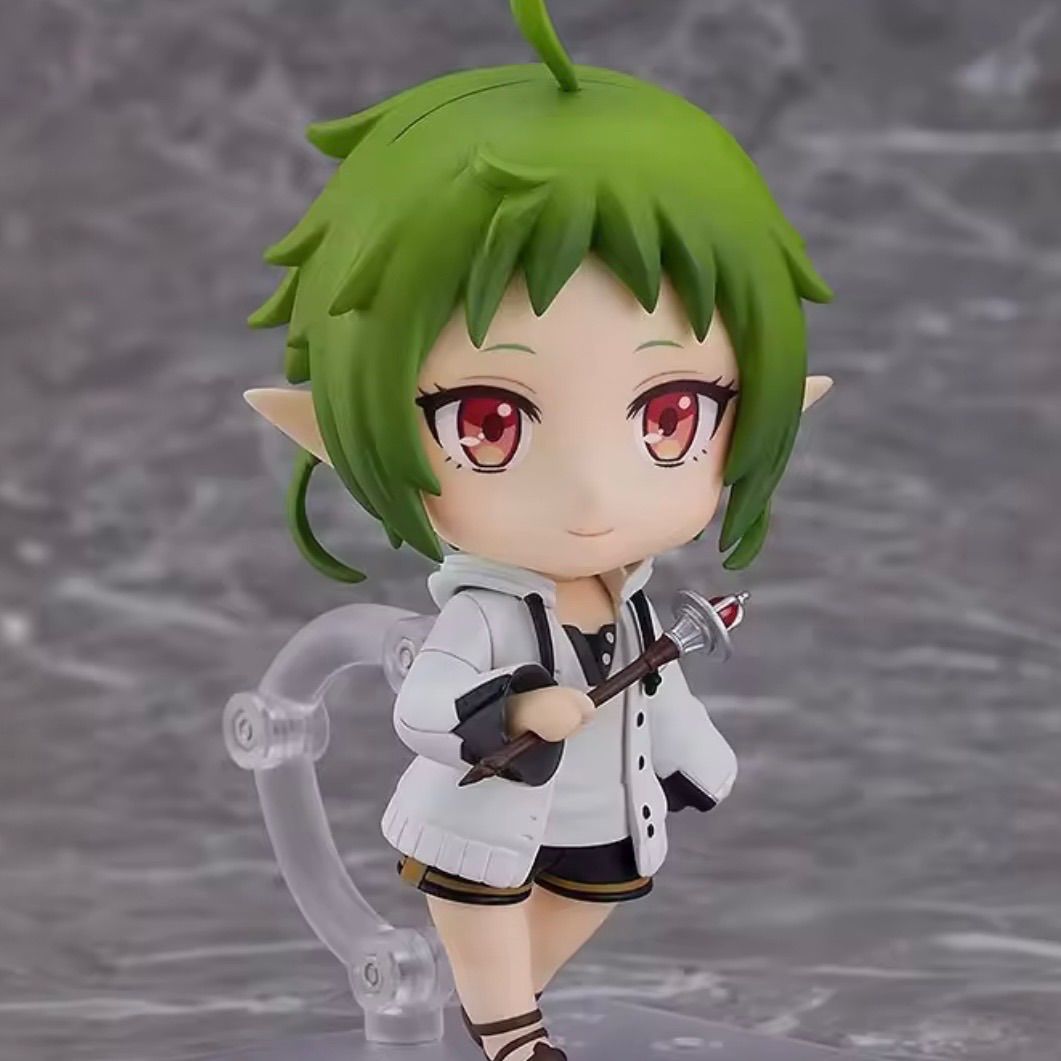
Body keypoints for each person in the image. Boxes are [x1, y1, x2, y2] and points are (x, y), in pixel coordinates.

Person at [246, 2, 833, 1057]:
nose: (591, 494)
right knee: (481, 911)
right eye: (489, 422)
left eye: (670, 417)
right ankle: (510, 1029)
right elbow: (425, 701)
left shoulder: (635, 603)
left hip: (603, 809)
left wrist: (698, 759)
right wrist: (511, 706)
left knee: (594, 894)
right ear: (349, 424)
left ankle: (500, 1008)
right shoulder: (484, 614)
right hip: (483, 813)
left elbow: (660, 689)